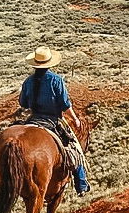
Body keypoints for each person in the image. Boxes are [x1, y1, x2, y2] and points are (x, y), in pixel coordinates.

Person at [19, 46, 89, 194]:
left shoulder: (28, 81)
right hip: (53, 120)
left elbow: (23, 103)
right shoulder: (56, 80)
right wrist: (75, 119)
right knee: (74, 147)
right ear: (50, 63)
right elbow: (64, 105)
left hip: (33, 118)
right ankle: (81, 185)